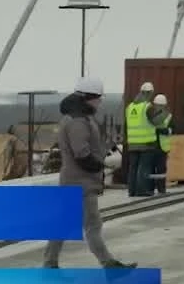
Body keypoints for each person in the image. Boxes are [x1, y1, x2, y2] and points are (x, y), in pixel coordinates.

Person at [44, 76, 135, 269]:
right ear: (88, 97)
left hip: (73, 181)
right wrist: (99, 165)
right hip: (81, 183)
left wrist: (101, 153)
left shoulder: (78, 117)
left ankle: (49, 265)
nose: (100, 102)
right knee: (93, 226)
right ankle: (109, 265)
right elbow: (81, 153)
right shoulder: (78, 121)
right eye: (98, 98)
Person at [124, 82, 158, 196]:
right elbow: (157, 121)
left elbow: (126, 125)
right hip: (146, 143)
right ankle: (142, 190)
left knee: (133, 168)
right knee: (144, 168)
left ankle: (132, 191)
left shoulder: (130, 107)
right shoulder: (148, 107)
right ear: (150, 93)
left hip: (132, 143)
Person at [149, 94, 174, 194]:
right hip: (152, 145)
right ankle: (150, 189)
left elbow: (172, 129)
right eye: (157, 105)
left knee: (161, 169)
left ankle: (161, 189)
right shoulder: (150, 116)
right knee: (151, 168)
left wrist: (161, 130)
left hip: (162, 147)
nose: (158, 107)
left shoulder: (168, 116)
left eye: (160, 105)